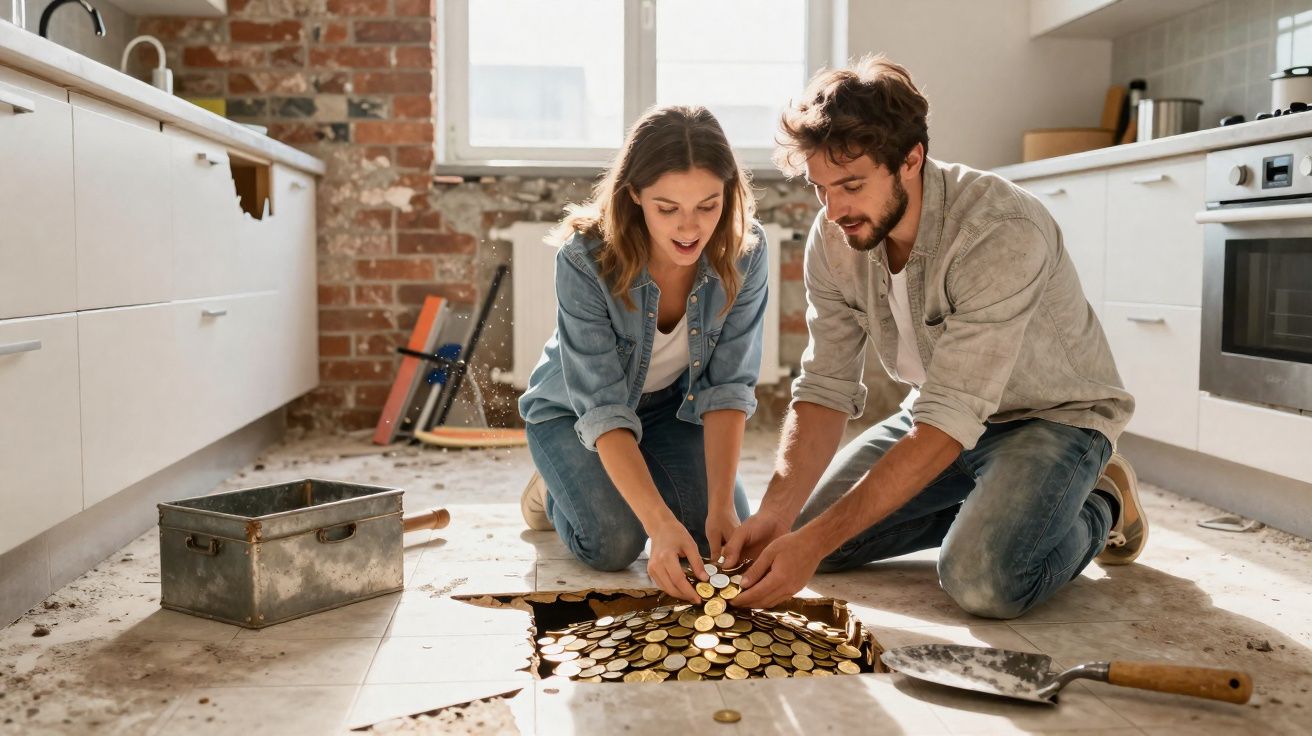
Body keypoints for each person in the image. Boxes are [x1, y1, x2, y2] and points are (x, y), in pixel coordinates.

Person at [722, 55, 1146, 619]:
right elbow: (825, 386)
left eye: (851, 185)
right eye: (822, 188)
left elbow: (949, 421)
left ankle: (1100, 502)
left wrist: (815, 539)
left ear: (911, 159)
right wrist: (776, 514)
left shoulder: (1000, 232)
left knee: (982, 581)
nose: (834, 209)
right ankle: (999, 509)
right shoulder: (835, 235)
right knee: (799, 534)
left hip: (1051, 417)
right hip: (940, 415)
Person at [518, 105, 769, 603]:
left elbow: (727, 388)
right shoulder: (584, 259)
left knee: (712, 537)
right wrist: (657, 523)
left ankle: (640, 484)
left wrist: (721, 504)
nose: (690, 228)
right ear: (635, 195)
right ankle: (553, 488)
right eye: (667, 207)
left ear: (729, 193)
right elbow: (603, 406)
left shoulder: (745, 254)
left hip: (669, 413)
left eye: (708, 204)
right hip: (574, 415)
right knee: (615, 543)